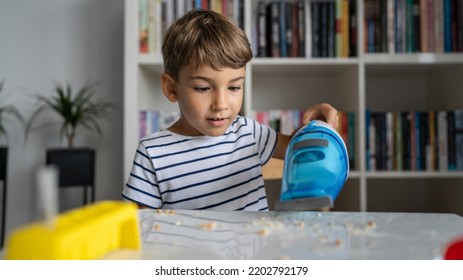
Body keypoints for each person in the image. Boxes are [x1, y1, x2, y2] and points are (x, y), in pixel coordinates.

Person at [122, 9, 338, 211]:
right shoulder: (152, 154)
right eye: (203, 88)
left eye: (234, 87)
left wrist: (317, 125)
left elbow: (298, 149)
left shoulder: (248, 132)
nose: (221, 104)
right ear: (171, 88)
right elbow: (141, 230)